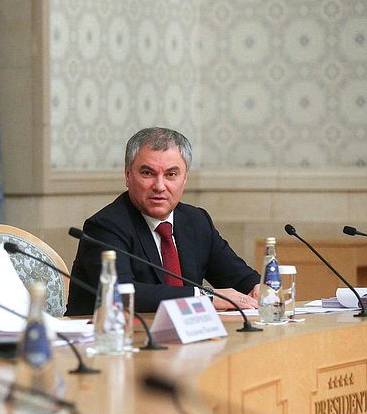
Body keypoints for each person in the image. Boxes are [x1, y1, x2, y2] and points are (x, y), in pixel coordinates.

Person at [65, 127, 260, 316]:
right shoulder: (106, 227)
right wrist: (203, 296)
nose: (159, 186)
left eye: (171, 175)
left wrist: (258, 288)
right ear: (127, 175)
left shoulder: (196, 221)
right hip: (104, 341)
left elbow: (239, 278)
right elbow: (122, 293)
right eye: (147, 173)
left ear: (184, 179)